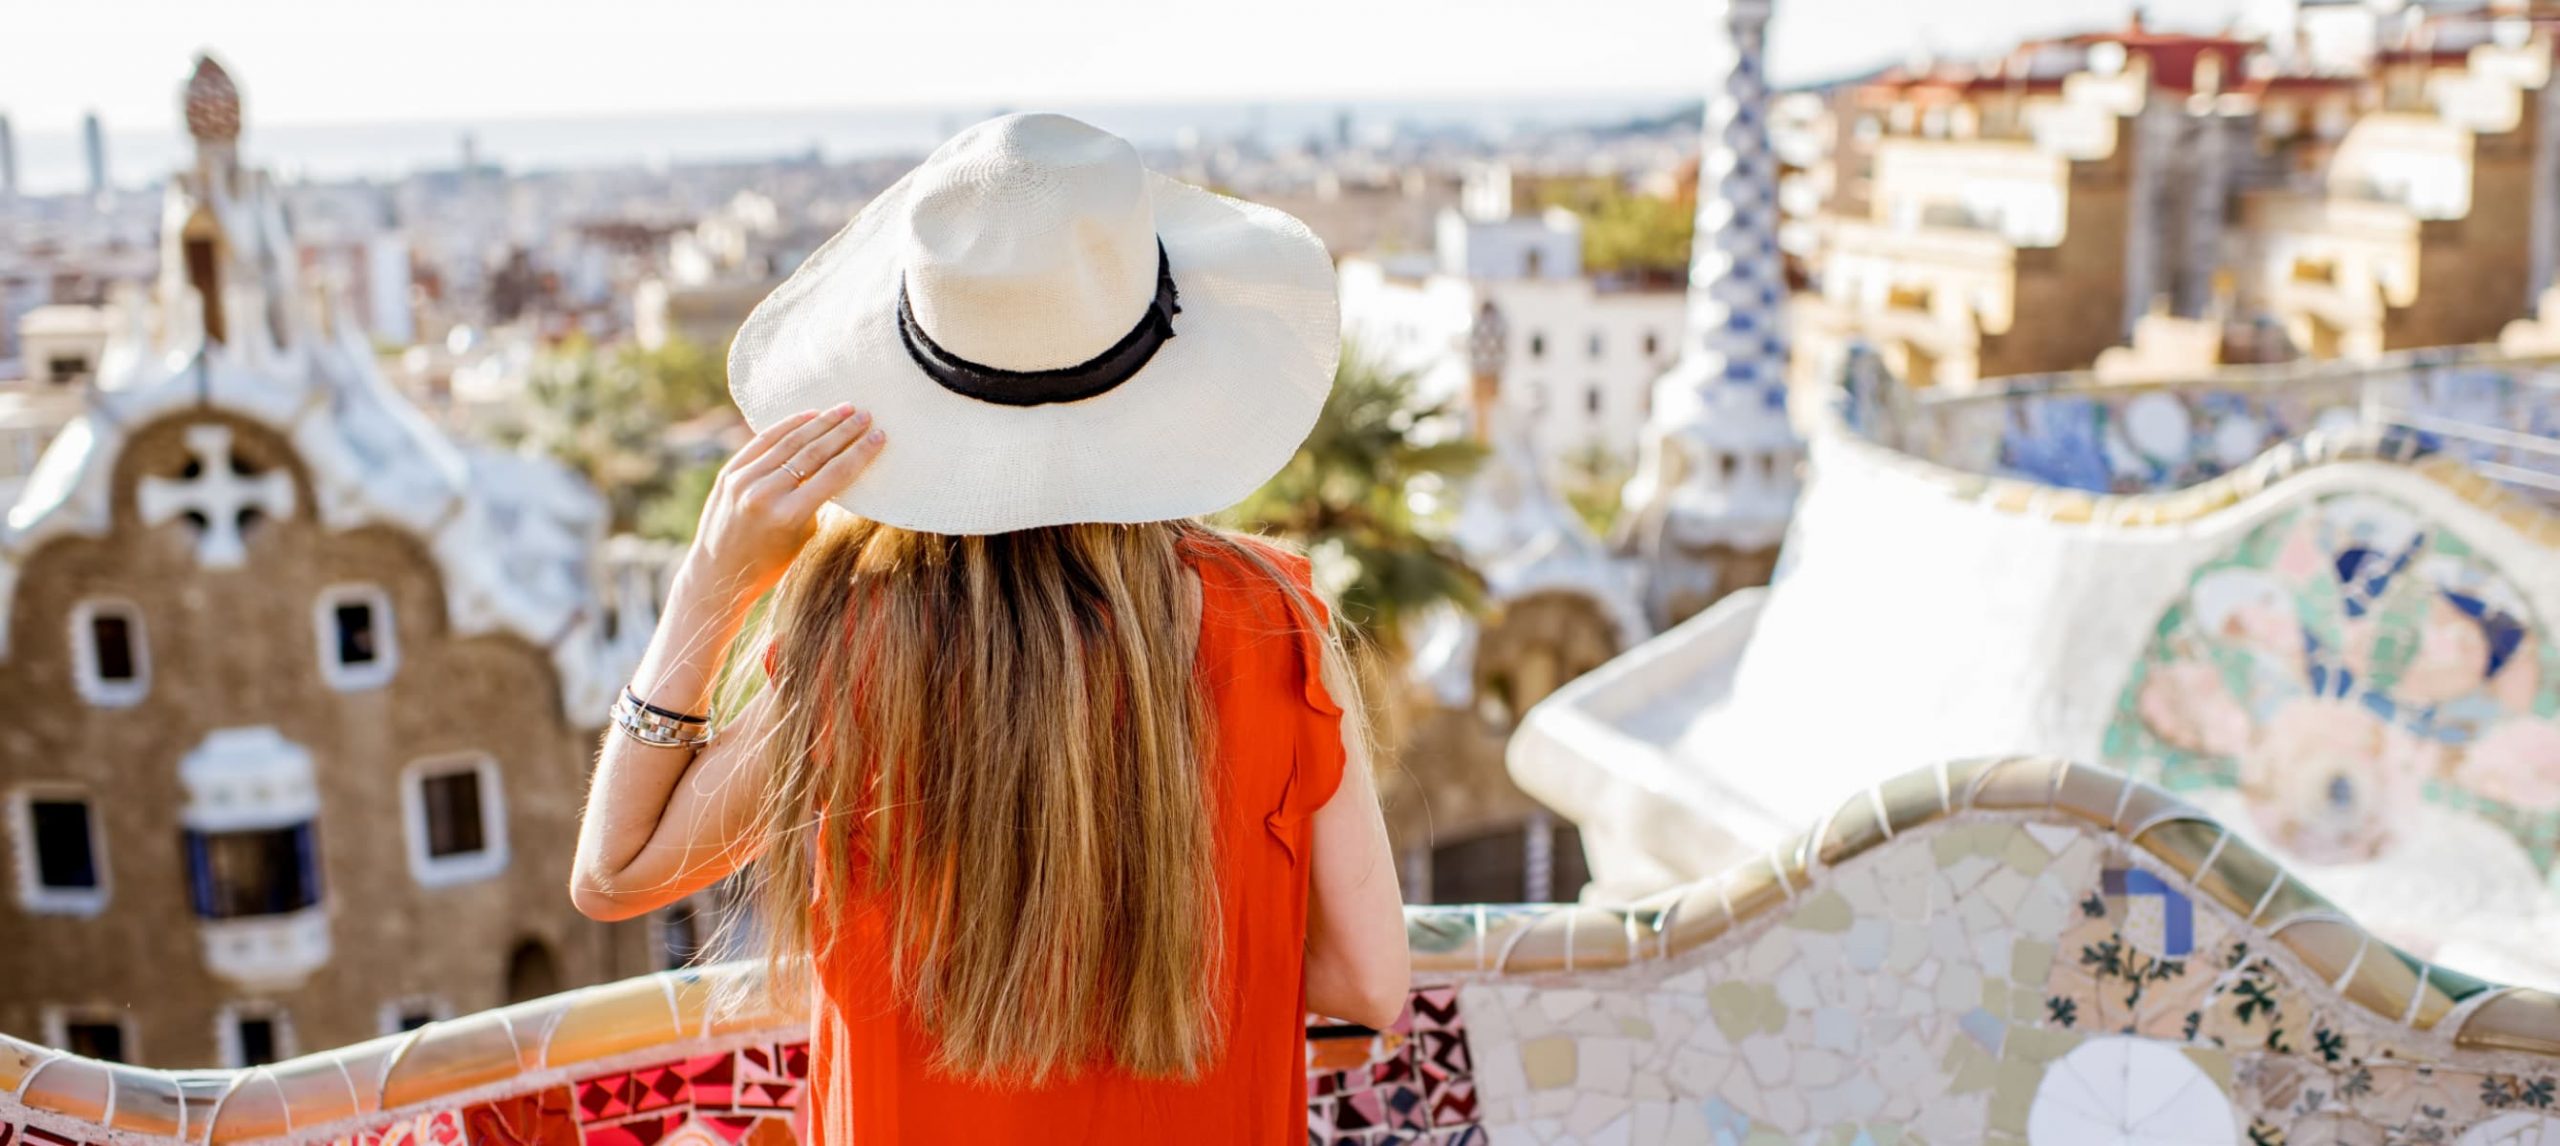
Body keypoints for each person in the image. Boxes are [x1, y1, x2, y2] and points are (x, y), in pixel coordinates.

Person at [568, 113, 1411, 1145]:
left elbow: (616, 876)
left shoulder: (857, 645)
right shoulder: (1274, 622)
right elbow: (1367, 983)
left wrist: (709, 589)